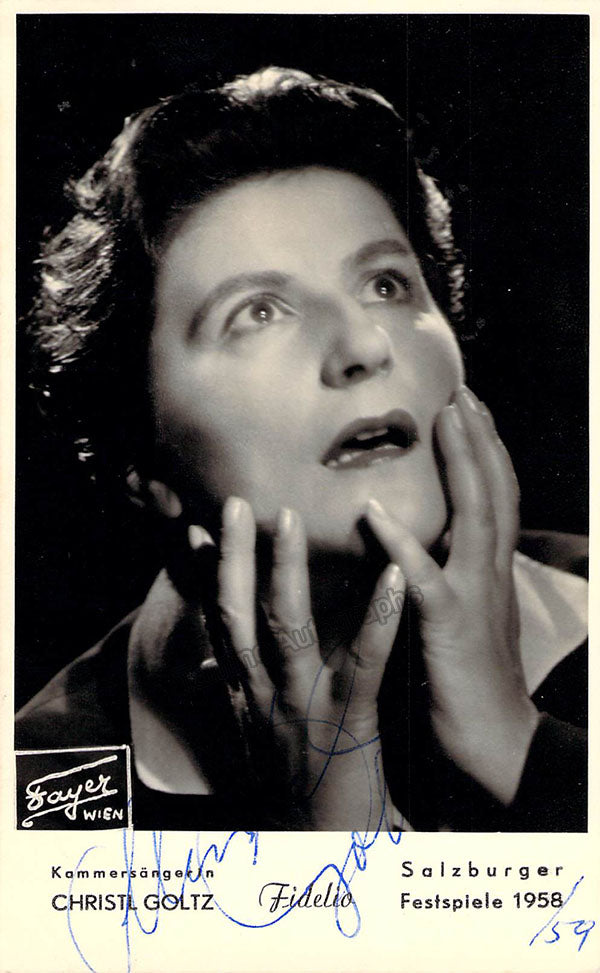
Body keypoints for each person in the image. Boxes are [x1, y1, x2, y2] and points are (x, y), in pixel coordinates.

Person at [17, 66, 588, 832]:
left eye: (386, 284)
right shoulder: (41, 792)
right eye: (257, 312)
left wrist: (513, 741)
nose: (363, 346)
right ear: (142, 458)